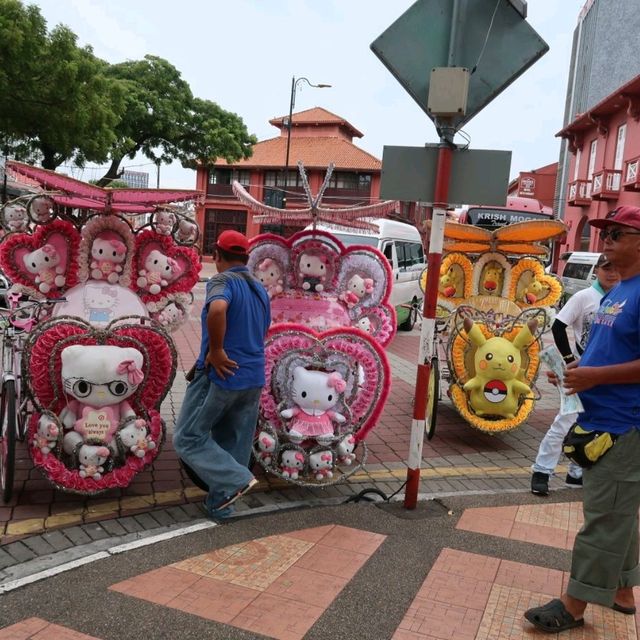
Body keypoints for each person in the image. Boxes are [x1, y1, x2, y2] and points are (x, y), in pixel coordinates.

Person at [524, 205, 640, 633]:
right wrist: (576, 371)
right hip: (602, 418)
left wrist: (594, 376)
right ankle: (623, 591)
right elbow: (610, 347)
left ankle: (573, 607)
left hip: (627, 423)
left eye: (616, 232)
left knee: (605, 517)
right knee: (619, 512)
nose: (605, 239)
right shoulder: (617, 290)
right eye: (603, 232)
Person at [173, 230, 271, 521]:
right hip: (253, 376)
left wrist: (215, 350)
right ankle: (222, 504)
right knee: (235, 440)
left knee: (188, 437)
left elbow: (217, 310)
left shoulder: (221, 280)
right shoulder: (259, 288)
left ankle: (237, 478)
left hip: (222, 374)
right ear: (246, 257)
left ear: (216, 256)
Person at [530, 253, 620, 496]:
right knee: (565, 421)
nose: (611, 273)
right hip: (580, 371)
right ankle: (542, 471)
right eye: (605, 268)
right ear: (596, 271)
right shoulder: (584, 297)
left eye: (615, 268)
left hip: (606, 374)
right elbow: (558, 326)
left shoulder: (622, 297)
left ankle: (576, 473)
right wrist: (569, 360)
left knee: (593, 424)